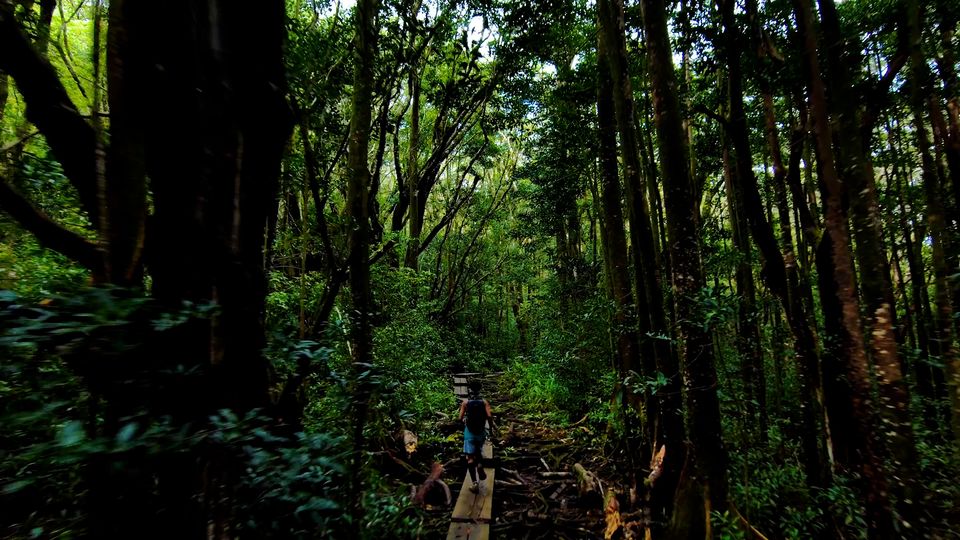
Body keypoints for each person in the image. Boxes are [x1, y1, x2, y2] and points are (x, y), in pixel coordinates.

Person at [458, 379, 495, 494]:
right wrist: (491, 429)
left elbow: (460, 418)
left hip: (469, 432)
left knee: (469, 458)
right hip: (480, 432)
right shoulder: (484, 402)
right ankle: (479, 464)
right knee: (478, 451)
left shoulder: (465, 403)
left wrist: (463, 421)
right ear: (480, 389)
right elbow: (489, 416)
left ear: (469, 389)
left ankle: (474, 483)